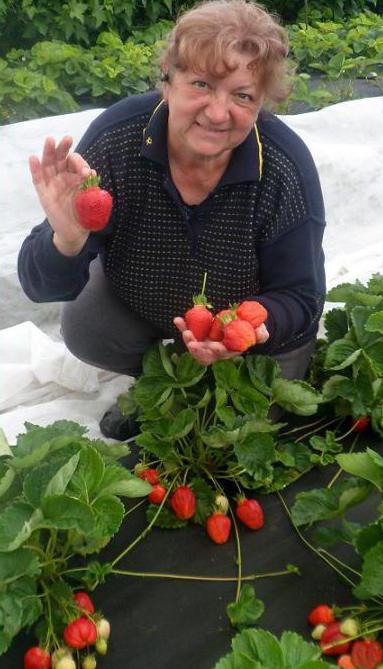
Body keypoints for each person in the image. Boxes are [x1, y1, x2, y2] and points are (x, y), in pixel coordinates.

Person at [17, 0, 326, 440]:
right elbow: (40, 286)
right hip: (147, 303)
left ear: (262, 102)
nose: (218, 113)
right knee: (86, 326)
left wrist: (250, 329)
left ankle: (203, 388)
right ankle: (161, 384)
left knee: (239, 436)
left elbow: (302, 297)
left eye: (242, 95)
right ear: (168, 80)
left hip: (248, 337)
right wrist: (66, 238)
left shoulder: (282, 166)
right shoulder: (118, 139)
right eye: (201, 83)